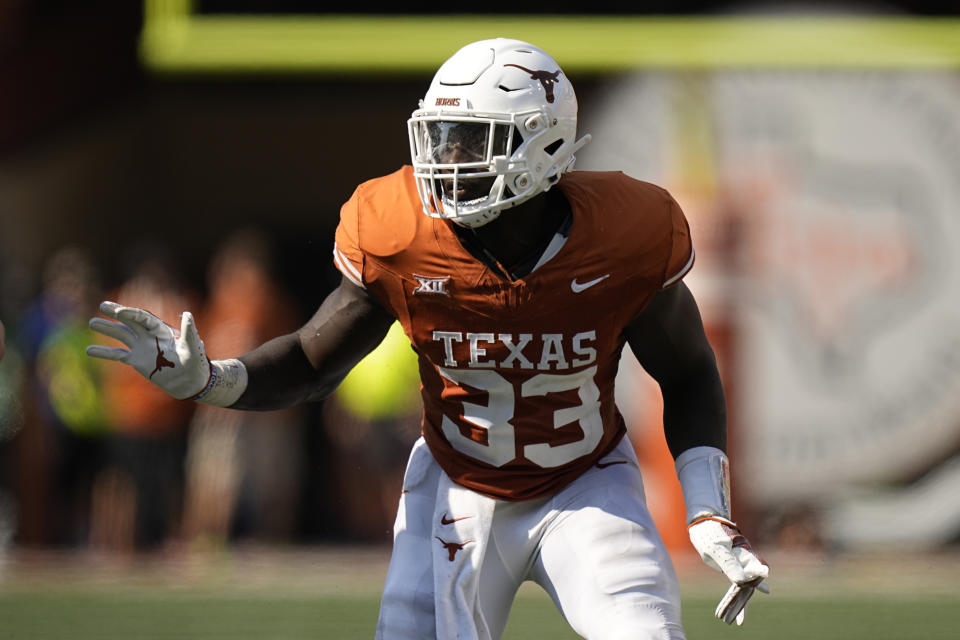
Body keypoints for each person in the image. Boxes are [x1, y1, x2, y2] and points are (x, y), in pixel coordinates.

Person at [87, 38, 768, 639]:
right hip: (455, 489)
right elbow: (314, 358)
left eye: (472, 140)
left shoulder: (624, 235)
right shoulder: (401, 232)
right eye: (442, 136)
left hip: (585, 485)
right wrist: (212, 378)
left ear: (544, 143)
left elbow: (686, 373)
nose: (448, 158)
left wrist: (706, 509)